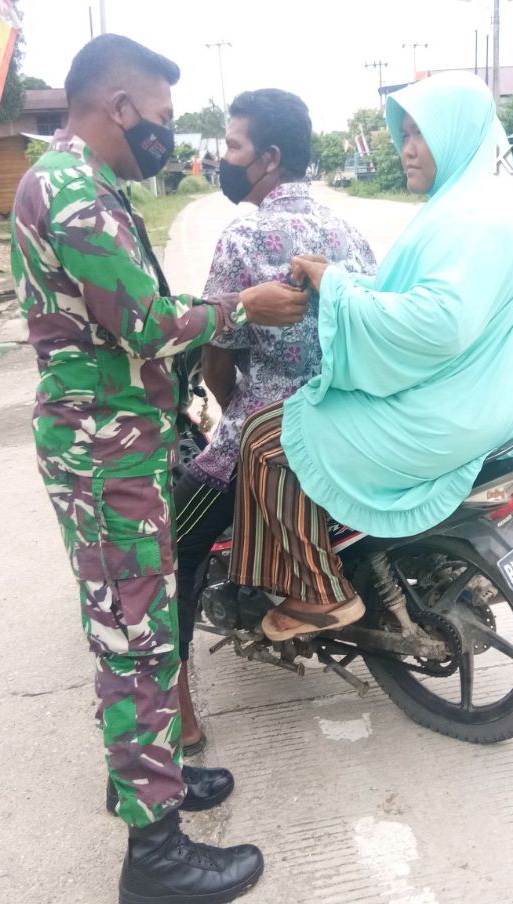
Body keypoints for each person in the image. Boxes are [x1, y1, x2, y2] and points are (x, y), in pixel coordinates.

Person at [11, 35, 308, 903]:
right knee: (134, 636)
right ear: (122, 108)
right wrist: (237, 309)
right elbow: (145, 325)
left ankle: (149, 774)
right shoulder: (71, 190)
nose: (172, 139)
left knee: (137, 615)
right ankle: (158, 856)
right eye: (166, 120)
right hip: (102, 448)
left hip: (118, 436)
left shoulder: (85, 183)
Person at [228, 71, 513, 639]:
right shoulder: (479, 204)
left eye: (423, 133)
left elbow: (438, 322)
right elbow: (413, 297)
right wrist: (336, 277)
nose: (407, 148)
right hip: (477, 400)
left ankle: (320, 593)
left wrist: (340, 293)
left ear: (459, 135)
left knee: (266, 441)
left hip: (446, 412)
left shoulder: (473, 221)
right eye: (405, 133)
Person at [172, 88, 376, 744]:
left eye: (232, 147)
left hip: (272, 426)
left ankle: (175, 703)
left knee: (174, 542)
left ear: (269, 158)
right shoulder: (347, 230)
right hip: (348, 421)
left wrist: (233, 415)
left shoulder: (244, 236)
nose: (223, 159)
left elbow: (217, 357)